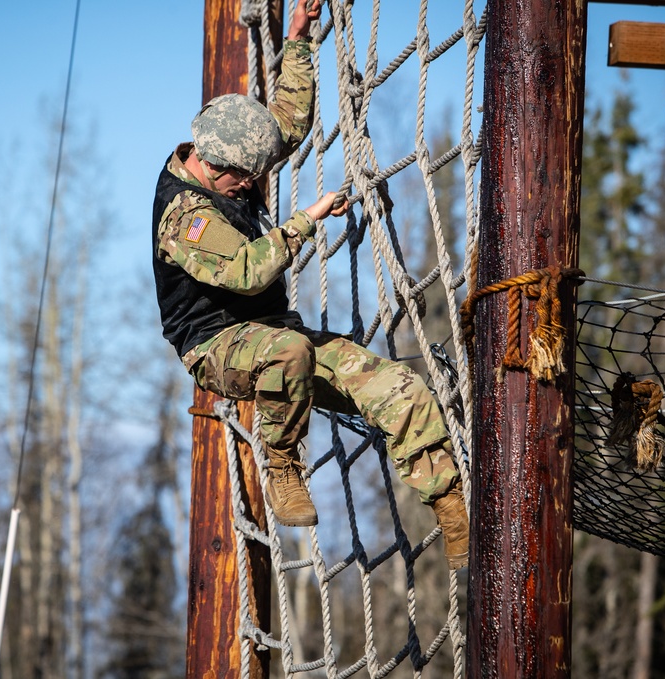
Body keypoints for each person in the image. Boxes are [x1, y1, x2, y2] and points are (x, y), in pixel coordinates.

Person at [150, 0, 469, 568]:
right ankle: (282, 464)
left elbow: (289, 123)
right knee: (289, 352)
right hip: (217, 346)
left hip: (274, 336)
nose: (253, 184)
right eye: (245, 177)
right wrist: (309, 219)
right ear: (212, 165)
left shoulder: (230, 161)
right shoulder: (184, 217)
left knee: (397, 388)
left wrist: (299, 39)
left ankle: (455, 517)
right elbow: (247, 272)